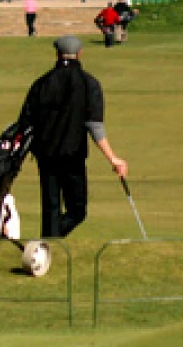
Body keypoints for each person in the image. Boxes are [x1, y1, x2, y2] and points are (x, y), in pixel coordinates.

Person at [17, 36, 129, 238]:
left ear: (57, 54)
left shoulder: (41, 83)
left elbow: (25, 122)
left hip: (45, 154)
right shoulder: (89, 83)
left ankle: (48, 243)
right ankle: (50, 242)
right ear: (80, 54)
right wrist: (113, 158)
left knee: (50, 206)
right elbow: (94, 125)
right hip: (73, 154)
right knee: (77, 210)